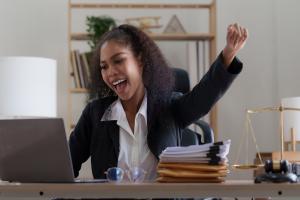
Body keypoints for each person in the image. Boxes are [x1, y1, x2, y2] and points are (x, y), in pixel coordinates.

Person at [69, 23, 248, 181]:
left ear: (140, 60)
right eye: (104, 66)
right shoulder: (94, 114)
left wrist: (228, 55)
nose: (110, 72)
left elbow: (205, 95)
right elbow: (66, 166)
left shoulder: (170, 107)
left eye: (118, 61)